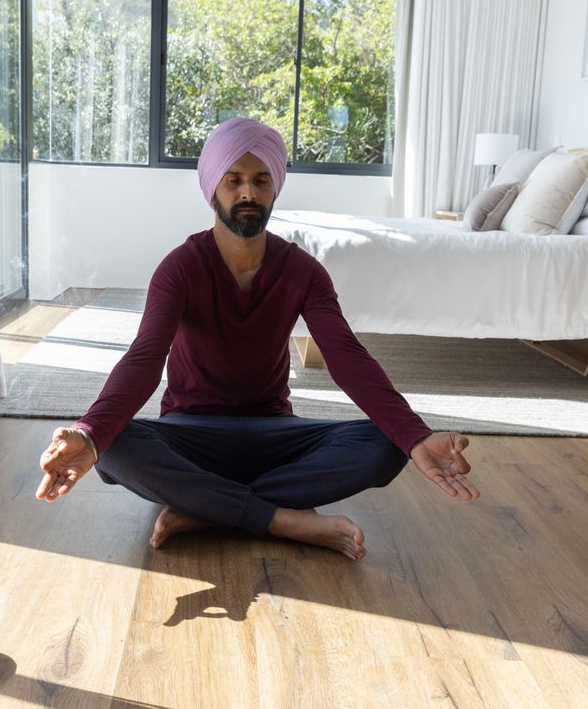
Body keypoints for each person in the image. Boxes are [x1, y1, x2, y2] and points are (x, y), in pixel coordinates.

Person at [36, 117, 478, 561]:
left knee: (387, 443)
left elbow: (347, 357)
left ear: (274, 189)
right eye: (234, 181)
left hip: (275, 434)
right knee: (112, 449)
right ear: (214, 188)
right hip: (192, 431)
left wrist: (416, 437)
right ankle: (283, 519)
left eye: (260, 180)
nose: (248, 193)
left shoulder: (304, 271)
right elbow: (145, 358)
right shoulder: (180, 268)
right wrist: (90, 433)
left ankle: (207, 510)